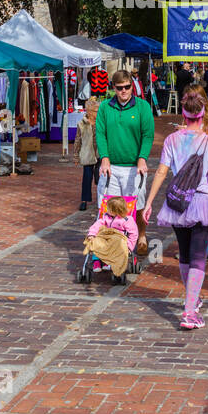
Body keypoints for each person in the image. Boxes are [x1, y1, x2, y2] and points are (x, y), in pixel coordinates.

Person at [146, 88, 208, 330]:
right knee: (198, 258)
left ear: (183, 113)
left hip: (178, 203)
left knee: (184, 255)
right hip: (203, 202)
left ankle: (191, 301)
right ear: (203, 114)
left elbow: (162, 171)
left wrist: (150, 202)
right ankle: (189, 311)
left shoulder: (172, 139)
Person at [95, 69, 155, 255]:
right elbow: (100, 133)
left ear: (132, 86)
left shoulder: (142, 107)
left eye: (127, 87)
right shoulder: (105, 107)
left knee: (137, 205)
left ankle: (141, 235)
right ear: (113, 88)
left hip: (133, 167)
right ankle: (115, 242)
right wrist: (104, 158)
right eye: (119, 88)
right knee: (110, 207)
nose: (123, 91)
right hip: (111, 166)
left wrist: (142, 158)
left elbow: (148, 135)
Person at [84, 195, 139, 283]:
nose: (106, 210)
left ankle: (107, 262)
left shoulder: (127, 220)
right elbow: (97, 224)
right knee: (96, 243)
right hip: (105, 238)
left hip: (118, 240)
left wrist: (129, 247)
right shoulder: (106, 217)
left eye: (108, 209)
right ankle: (97, 262)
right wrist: (92, 234)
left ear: (114, 211)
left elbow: (134, 234)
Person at [75, 96, 101, 211]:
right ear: (89, 111)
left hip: (100, 154)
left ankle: (103, 200)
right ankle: (84, 200)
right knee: (87, 177)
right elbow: (77, 140)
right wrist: (76, 156)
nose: (98, 113)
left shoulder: (101, 123)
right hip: (87, 154)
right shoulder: (82, 124)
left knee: (100, 178)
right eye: (96, 111)